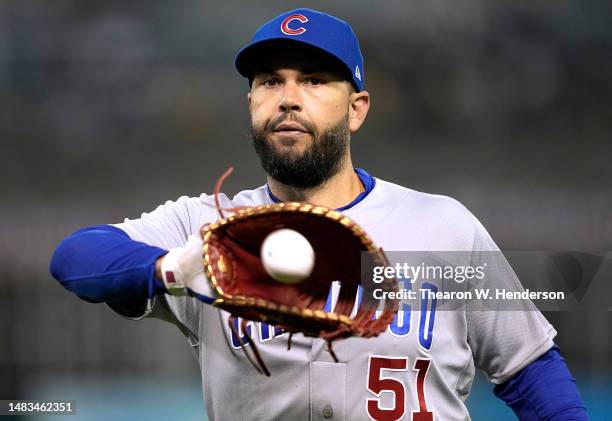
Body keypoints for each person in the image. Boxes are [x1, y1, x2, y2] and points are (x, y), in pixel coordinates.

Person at [50, 8, 588, 420]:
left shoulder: (442, 225)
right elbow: (75, 256)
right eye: (269, 81)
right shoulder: (209, 228)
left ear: (357, 109)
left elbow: (529, 370)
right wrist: (173, 269)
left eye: (313, 80)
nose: (288, 97)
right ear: (252, 104)